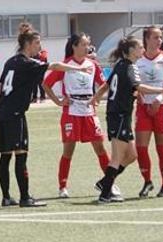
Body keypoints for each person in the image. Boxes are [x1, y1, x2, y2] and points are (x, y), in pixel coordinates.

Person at [0, 27, 93, 208]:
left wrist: (1, 103)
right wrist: (77, 68)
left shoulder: (11, 61)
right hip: (15, 114)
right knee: (20, 155)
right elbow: (55, 66)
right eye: (37, 43)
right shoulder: (27, 62)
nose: (40, 46)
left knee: (5, 155)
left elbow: (0, 86)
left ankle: (6, 197)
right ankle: (25, 197)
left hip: (2, 112)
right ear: (28, 44)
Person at [91, 37, 163, 203]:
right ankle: (105, 194)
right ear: (130, 51)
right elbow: (139, 87)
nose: (142, 49)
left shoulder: (120, 65)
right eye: (139, 47)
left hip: (119, 115)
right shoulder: (130, 67)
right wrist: (162, 89)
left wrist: (95, 98)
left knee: (132, 155)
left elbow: (106, 85)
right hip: (120, 115)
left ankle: (104, 182)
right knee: (117, 157)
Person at [42, 34, 113, 199]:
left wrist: (96, 98)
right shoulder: (65, 65)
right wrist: (59, 101)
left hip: (89, 112)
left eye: (88, 44)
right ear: (74, 46)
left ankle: (109, 183)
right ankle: (62, 187)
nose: (86, 47)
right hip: (71, 112)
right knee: (68, 151)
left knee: (100, 148)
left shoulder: (93, 64)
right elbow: (46, 84)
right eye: (83, 44)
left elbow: (103, 84)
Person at [134, 26, 163, 198]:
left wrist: (159, 99)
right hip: (143, 108)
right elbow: (134, 84)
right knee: (141, 147)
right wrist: (138, 95)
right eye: (155, 37)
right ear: (146, 39)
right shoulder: (138, 59)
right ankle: (147, 182)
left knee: (162, 147)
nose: (159, 40)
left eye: (160, 37)